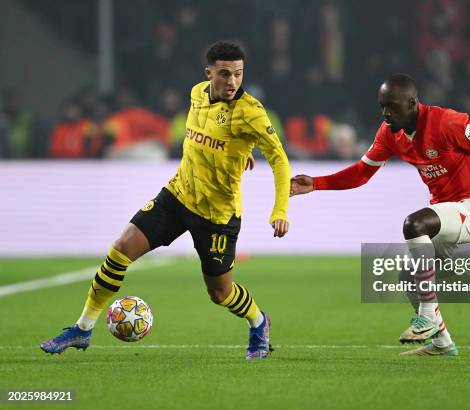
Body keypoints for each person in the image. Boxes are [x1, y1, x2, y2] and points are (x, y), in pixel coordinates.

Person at [290, 73, 470, 357]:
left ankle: (426, 317)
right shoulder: (390, 133)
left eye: (392, 106)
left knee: (414, 224)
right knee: (407, 277)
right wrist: (316, 183)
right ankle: (442, 343)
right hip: (446, 212)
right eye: (381, 106)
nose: (385, 113)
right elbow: (362, 173)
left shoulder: (448, 123)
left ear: (413, 103)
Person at [41, 41, 291, 360]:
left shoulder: (252, 113)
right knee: (120, 249)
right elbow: (204, 139)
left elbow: (280, 160)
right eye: (225, 74)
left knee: (220, 293)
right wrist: (231, 153)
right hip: (176, 195)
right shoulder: (197, 93)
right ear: (209, 73)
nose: (232, 82)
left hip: (217, 214)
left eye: (238, 74)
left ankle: (258, 321)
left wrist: (279, 209)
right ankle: (83, 328)